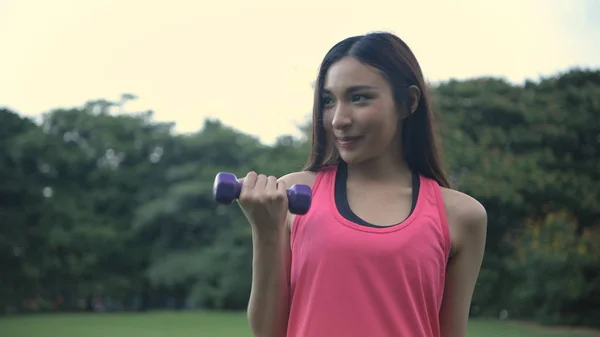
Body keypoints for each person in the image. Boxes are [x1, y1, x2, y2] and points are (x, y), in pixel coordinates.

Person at [237, 31, 487, 337]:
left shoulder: (461, 215)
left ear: (408, 102)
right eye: (329, 101)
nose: (338, 119)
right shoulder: (295, 196)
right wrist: (265, 231)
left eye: (359, 98)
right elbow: (268, 332)